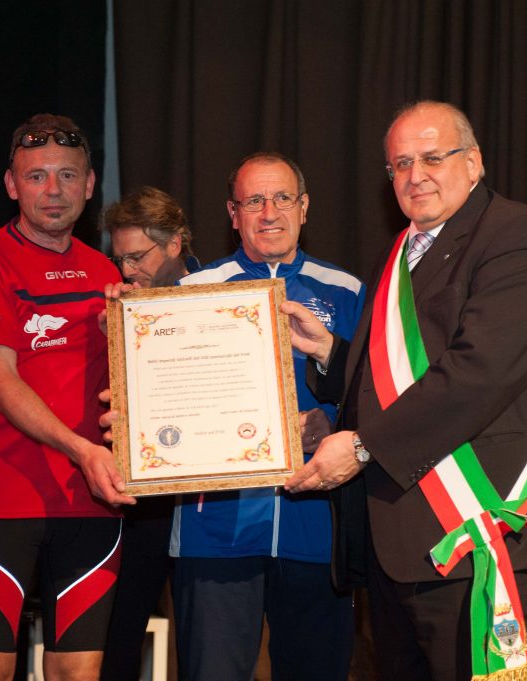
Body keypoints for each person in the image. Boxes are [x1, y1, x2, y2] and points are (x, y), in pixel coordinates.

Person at [283, 101, 527, 681]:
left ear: (474, 162)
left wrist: (361, 446)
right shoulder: (398, 252)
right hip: (397, 546)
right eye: (400, 164)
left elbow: (478, 373)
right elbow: (395, 381)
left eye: (433, 158)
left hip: (476, 532)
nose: (415, 176)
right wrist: (330, 354)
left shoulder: (518, 235)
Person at [0, 113, 134, 681]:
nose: (53, 191)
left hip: (91, 502)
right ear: (11, 184)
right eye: (36, 176)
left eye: (68, 175)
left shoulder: (106, 274)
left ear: (90, 184)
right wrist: (83, 450)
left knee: (78, 675)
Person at [170, 152, 365, 681]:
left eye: (282, 198)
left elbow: (376, 395)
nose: (270, 212)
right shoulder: (190, 293)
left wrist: (336, 424)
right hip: (214, 528)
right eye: (254, 200)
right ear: (233, 214)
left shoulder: (347, 291)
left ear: (304, 207)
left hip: (316, 526)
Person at [98, 186, 198, 681]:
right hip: (142, 500)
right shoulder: (120, 306)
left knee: (204, 642)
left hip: (205, 498)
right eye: (119, 258)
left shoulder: (220, 293)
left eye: (136, 256)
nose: (126, 269)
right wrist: (112, 338)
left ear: (174, 243)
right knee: (121, 634)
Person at [102, 185, 198, 288]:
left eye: (136, 258)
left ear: (173, 245)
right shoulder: (123, 294)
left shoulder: (208, 292)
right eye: (119, 260)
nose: (126, 272)